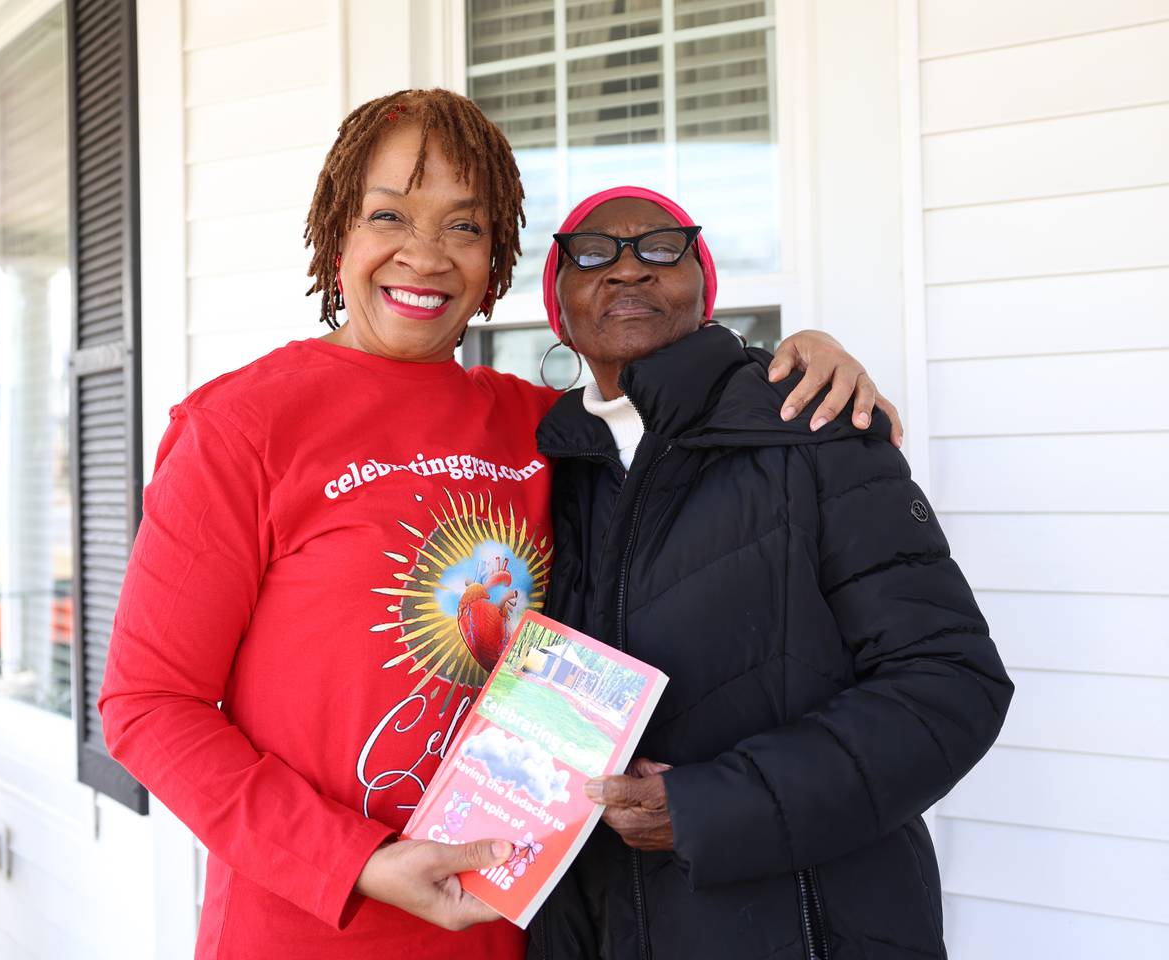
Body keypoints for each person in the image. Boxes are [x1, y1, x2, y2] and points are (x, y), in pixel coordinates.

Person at [98, 90, 899, 960]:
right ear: (338, 240)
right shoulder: (241, 426)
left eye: (463, 228)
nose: (424, 254)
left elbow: (687, 417)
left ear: (496, 262)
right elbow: (148, 707)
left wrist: (799, 363)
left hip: (526, 928)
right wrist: (357, 862)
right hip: (314, 929)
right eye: (387, 216)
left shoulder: (547, 428)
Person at [528, 186, 1013, 960]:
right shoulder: (550, 470)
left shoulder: (812, 427)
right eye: (592, 253)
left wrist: (709, 810)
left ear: (704, 288)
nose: (627, 270)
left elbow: (951, 683)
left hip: (815, 930)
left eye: (661, 247)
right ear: (560, 304)